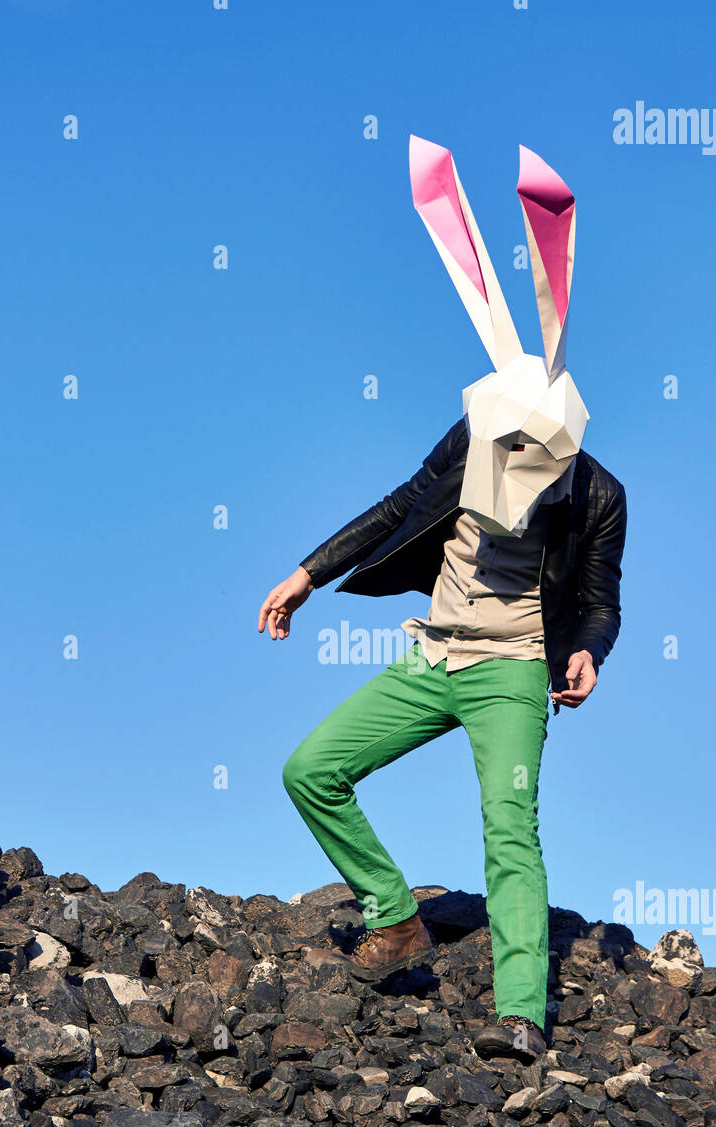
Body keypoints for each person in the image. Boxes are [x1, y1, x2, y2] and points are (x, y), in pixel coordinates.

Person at [258, 415, 626, 1062]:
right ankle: (396, 920)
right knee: (310, 770)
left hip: (513, 671)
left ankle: (519, 1016)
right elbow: (403, 503)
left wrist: (590, 652)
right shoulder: (472, 438)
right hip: (431, 658)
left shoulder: (598, 494)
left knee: (510, 824)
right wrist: (308, 574)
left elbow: (601, 599)